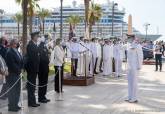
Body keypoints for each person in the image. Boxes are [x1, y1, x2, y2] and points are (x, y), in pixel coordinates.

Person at [6, 39, 23, 112]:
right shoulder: (9, 52)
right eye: (16, 42)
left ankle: (15, 104)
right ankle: (12, 106)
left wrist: (22, 68)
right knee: (12, 91)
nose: (17, 44)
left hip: (17, 73)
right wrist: (19, 71)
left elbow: (20, 60)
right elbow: (12, 64)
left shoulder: (16, 51)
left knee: (17, 90)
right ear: (13, 43)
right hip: (12, 74)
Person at [126, 34, 143, 103]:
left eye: (129, 38)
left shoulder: (137, 45)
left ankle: (134, 98)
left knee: (134, 82)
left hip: (135, 67)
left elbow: (140, 56)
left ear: (132, 38)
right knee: (130, 82)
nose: (128, 39)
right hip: (129, 67)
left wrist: (139, 66)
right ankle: (130, 96)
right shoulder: (129, 45)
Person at [25, 31, 40, 107]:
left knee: (33, 86)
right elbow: (32, 58)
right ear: (33, 37)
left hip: (34, 69)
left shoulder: (34, 45)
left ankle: (33, 101)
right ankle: (31, 102)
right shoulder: (30, 45)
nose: (38, 37)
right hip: (31, 69)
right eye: (37, 36)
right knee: (31, 86)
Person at [38, 34, 50, 103]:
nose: (47, 40)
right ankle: (41, 97)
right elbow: (41, 58)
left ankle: (44, 96)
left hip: (45, 68)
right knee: (42, 83)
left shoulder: (44, 46)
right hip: (42, 69)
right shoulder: (40, 46)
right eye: (46, 39)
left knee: (45, 83)